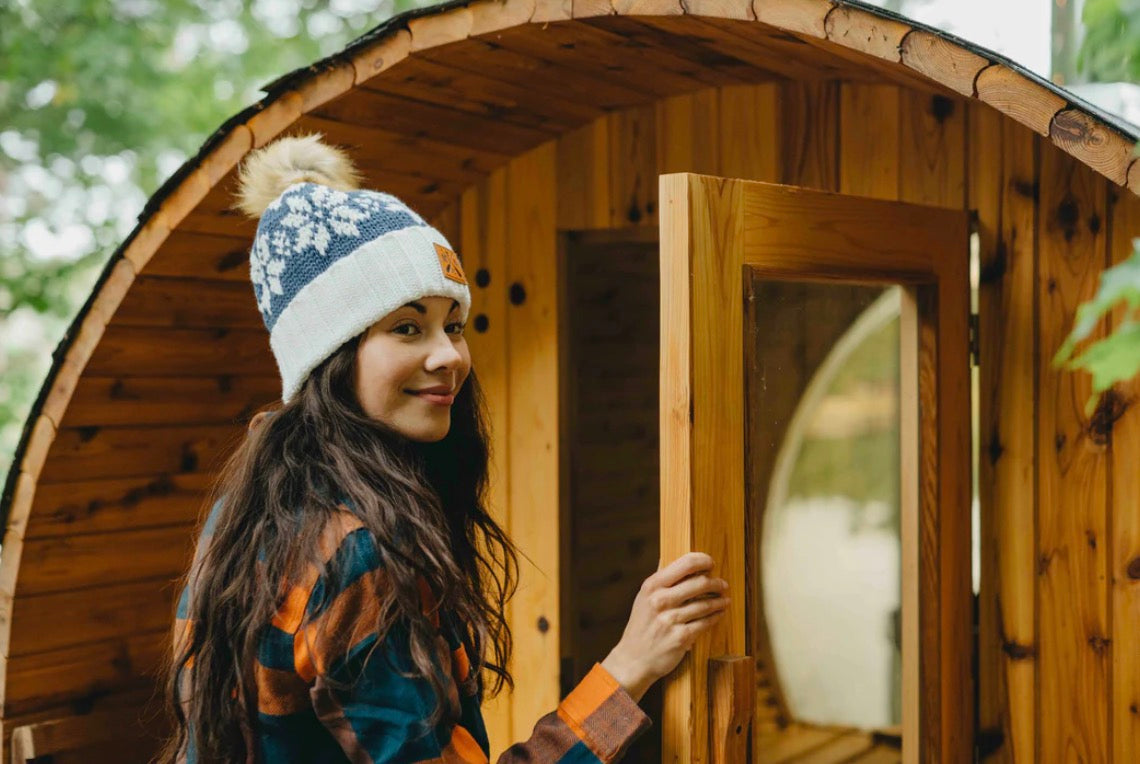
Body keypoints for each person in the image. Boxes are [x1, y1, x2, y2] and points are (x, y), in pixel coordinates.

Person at [161, 133, 731, 763]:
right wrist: (629, 667)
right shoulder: (355, 555)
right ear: (329, 356)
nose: (449, 356)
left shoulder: (252, 510)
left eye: (453, 325)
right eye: (407, 327)